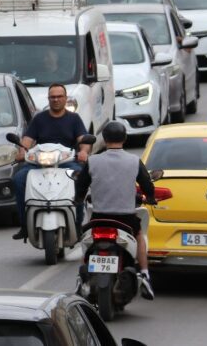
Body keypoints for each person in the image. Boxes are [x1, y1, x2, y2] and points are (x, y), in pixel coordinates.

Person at [74, 121, 156, 300]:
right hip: (125, 219)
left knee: (87, 243)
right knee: (140, 235)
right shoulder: (134, 161)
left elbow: (81, 185)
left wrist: (78, 199)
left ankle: (82, 279)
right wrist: (150, 198)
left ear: (104, 139)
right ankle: (144, 274)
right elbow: (147, 185)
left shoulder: (93, 161)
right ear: (125, 138)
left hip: (99, 218)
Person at [12, 83, 90, 240]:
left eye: (59, 96)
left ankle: (77, 223)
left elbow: (83, 139)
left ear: (65, 98)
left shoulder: (74, 119)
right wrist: (22, 152)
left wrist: (83, 152)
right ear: (48, 99)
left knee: (80, 178)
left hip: (66, 162)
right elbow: (27, 140)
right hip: (39, 162)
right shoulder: (39, 119)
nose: (56, 100)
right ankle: (25, 225)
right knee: (19, 179)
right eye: (52, 97)